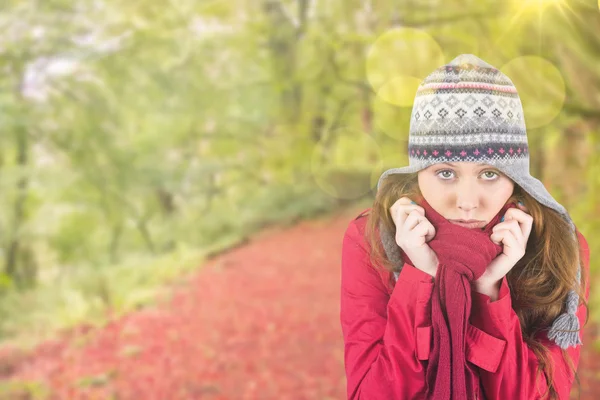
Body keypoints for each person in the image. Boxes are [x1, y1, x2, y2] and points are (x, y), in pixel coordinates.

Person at [340, 54, 591, 400]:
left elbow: (540, 394)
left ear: (515, 177)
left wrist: (487, 292)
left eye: (489, 174)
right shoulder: (374, 240)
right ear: (418, 172)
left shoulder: (558, 246)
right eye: (446, 173)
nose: (468, 202)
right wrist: (421, 278)